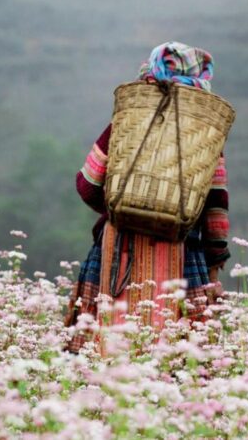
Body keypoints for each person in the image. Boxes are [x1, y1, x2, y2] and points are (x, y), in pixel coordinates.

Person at [63, 42, 230, 354]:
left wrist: (123, 209)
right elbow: (215, 210)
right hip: (183, 250)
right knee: (179, 356)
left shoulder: (126, 123)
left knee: (103, 347)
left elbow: (88, 183)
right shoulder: (207, 135)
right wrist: (214, 267)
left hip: (117, 248)